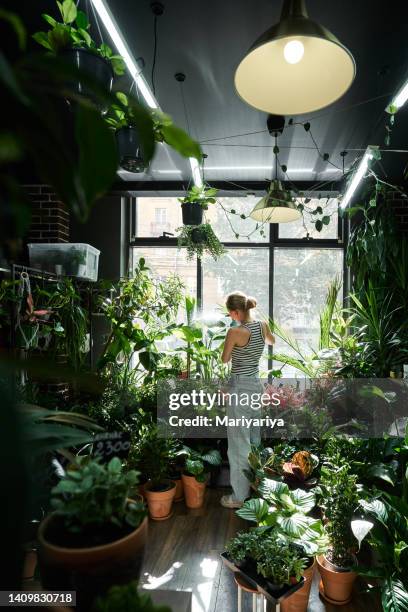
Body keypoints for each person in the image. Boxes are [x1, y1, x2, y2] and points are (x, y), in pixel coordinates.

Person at [220, 291, 275, 508]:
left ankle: (239, 498)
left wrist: (233, 345)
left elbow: (225, 359)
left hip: (240, 388)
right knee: (253, 440)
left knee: (238, 446)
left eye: (230, 313)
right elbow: (272, 341)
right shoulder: (262, 325)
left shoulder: (235, 331)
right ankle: (255, 489)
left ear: (235, 312)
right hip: (255, 387)